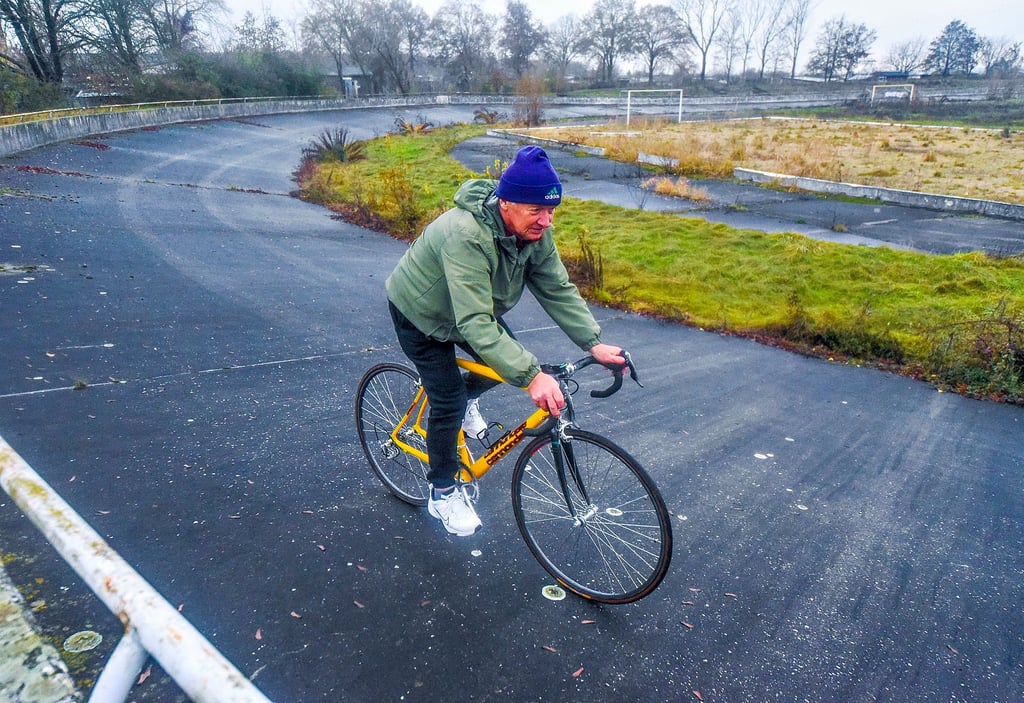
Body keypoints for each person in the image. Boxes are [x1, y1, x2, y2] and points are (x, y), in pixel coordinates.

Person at [385, 145, 624, 537]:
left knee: (503, 366)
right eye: (537, 210)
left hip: (468, 309)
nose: (546, 221)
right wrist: (532, 376)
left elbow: (557, 287)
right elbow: (477, 322)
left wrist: (593, 343)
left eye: (552, 211)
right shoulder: (467, 234)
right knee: (448, 399)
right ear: (506, 202)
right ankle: (442, 491)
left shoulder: (534, 233)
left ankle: (469, 401)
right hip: (420, 311)